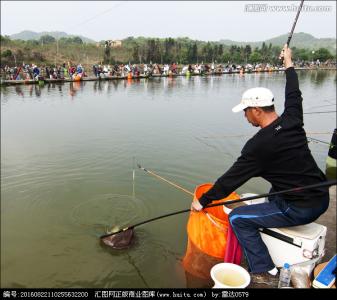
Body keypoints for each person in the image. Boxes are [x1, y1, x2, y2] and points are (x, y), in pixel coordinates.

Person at [191, 44, 330, 283]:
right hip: (321, 195)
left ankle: (263, 269)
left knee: (238, 219)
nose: (245, 117)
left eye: (245, 112)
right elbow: (294, 93)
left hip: (303, 207)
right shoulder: (292, 119)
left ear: (256, 110)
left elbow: (229, 180)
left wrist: (201, 201)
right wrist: (289, 63)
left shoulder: (258, 146)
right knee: (272, 193)